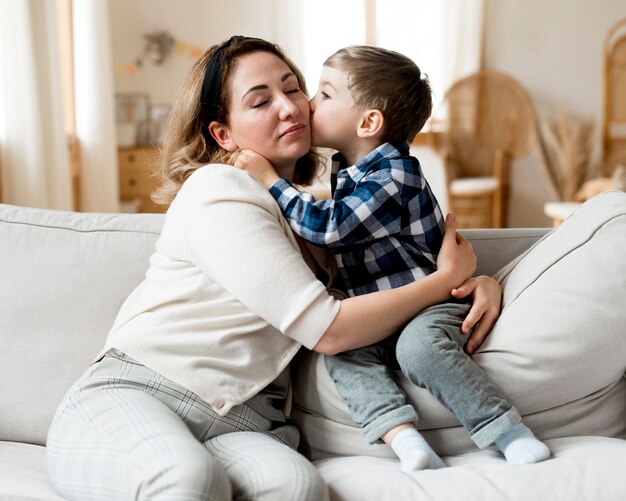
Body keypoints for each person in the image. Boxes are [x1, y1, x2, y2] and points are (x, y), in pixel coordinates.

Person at [46, 36, 502, 500]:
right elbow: (329, 330)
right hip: (140, 392)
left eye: (294, 88)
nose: (290, 108)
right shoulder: (219, 189)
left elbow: (392, 269)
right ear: (224, 135)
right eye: (260, 101)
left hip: (246, 421)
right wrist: (443, 281)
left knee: (298, 489)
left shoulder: (320, 216)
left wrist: (474, 284)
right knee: (187, 480)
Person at [235, 45, 550, 472]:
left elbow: (330, 227)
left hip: (430, 301)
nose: (307, 104)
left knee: (420, 349)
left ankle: (506, 431)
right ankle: (402, 437)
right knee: (343, 356)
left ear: (368, 122)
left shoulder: (395, 175)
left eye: (324, 95)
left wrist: (269, 179)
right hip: (382, 310)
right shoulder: (350, 174)